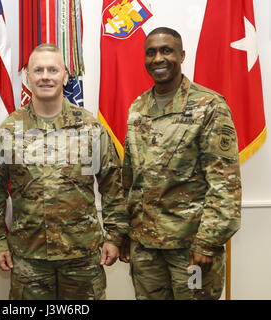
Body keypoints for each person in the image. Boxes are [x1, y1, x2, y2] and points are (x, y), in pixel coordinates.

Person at [0, 43, 128, 300]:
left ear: (65, 75)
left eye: (52, 69)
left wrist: (114, 237)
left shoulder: (90, 128)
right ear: (28, 77)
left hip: (82, 257)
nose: (45, 76)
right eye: (38, 70)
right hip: (28, 258)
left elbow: (113, 186)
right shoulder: (9, 130)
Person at [118, 27, 241, 300]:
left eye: (166, 50)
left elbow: (225, 184)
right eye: (151, 53)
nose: (158, 58)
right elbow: (130, 176)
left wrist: (208, 242)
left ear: (182, 55)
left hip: (191, 249)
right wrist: (125, 231)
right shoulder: (138, 107)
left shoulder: (209, 105)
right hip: (146, 246)